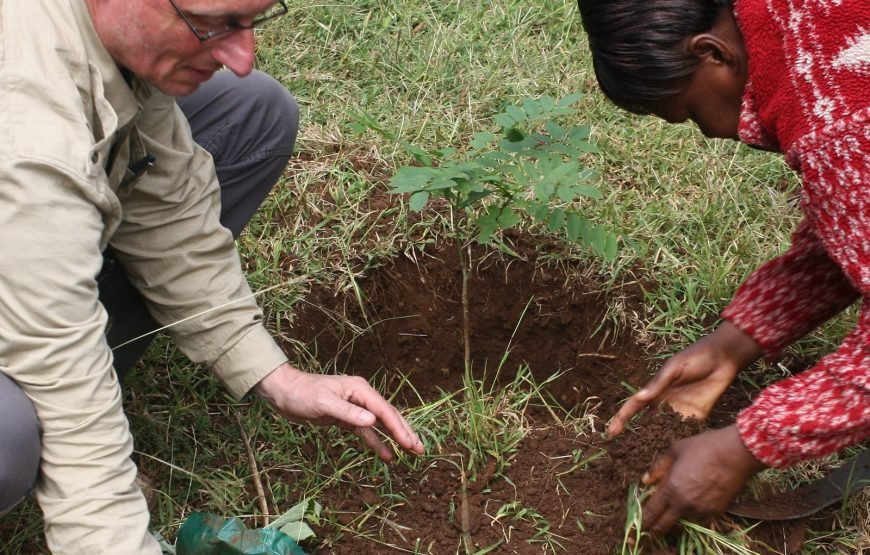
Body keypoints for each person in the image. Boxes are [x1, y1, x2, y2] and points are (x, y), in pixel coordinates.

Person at [0, 1, 424, 553]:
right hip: (25, 227)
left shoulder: (101, 40)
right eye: (215, 23)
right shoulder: (32, 140)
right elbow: (60, 373)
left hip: (29, 241)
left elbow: (166, 211)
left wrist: (274, 374)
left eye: (250, 21)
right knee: (10, 440)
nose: (242, 56)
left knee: (252, 109)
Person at [578, 0, 870, 535]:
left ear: (712, 53)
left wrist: (746, 445)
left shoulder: (835, 121)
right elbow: (856, 222)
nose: (709, 132)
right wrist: (732, 344)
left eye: (690, 112)